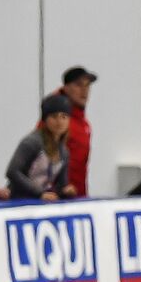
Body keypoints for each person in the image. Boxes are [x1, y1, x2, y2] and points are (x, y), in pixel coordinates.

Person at [6, 94, 78, 200]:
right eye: (54, 116)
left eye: (64, 116)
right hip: (17, 199)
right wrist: (39, 193)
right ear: (45, 120)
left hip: (42, 200)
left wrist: (65, 190)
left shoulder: (64, 151)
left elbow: (61, 183)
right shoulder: (32, 142)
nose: (59, 121)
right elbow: (13, 172)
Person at [57, 66, 95, 196]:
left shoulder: (83, 123)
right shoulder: (57, 119)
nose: (84, 91)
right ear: (67, 88)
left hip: (78, 195)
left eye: (87, 86)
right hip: (59, 197)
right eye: (79, 85)